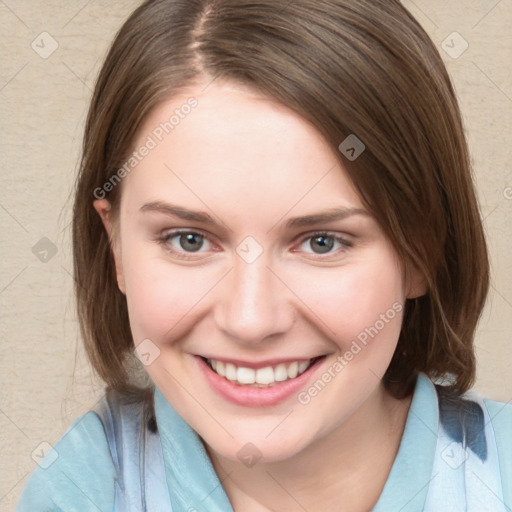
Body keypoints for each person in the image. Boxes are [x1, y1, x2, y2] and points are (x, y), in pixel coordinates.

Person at [16, 0, 511, 510]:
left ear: (421, 251)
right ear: (116, 244)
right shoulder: (79, 493)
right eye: (189, 239)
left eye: (322, 242)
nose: (251, 321)